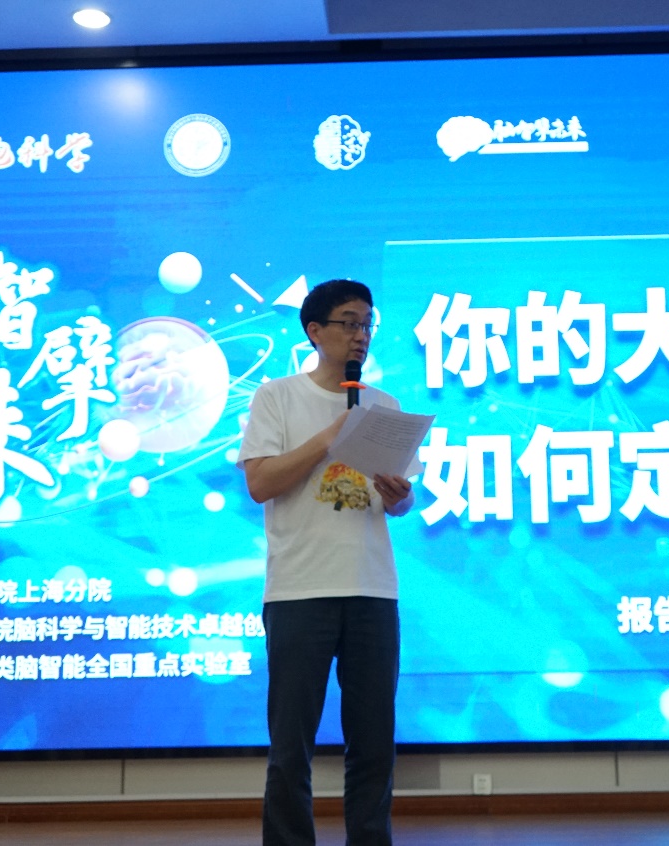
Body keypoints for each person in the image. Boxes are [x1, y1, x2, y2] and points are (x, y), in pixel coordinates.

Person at [239, 279, 415, 846]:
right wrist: (330, 437)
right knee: (292, 743)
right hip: (300, 589)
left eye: (367, 324)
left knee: (374, 740)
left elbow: (398, 504)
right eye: (349, 323)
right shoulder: (277, 396)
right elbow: (261, 484)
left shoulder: (384, 406)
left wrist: (399, 496)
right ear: (315, 331)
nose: (361, 335)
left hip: (372, 588)